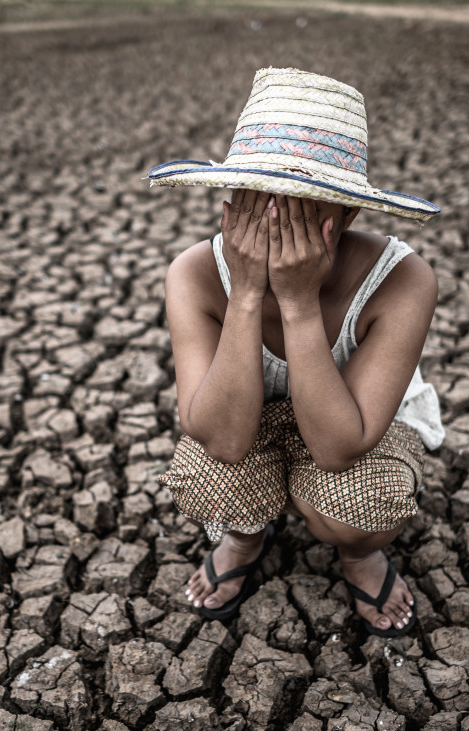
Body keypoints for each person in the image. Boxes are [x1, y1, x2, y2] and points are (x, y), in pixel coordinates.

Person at [148, 67, 445, 637]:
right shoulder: (194, 273)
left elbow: (339, 449)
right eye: (260, 199)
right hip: (247, 424)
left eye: (306, 205)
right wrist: (248, 295)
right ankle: (245, 535)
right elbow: (224, 440)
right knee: (207, 475)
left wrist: (300, 304)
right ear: (230, 202)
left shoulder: (402, 280)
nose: (279, 219)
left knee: (360, 505)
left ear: (348, 214)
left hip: (355, 430)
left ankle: (359, 555)